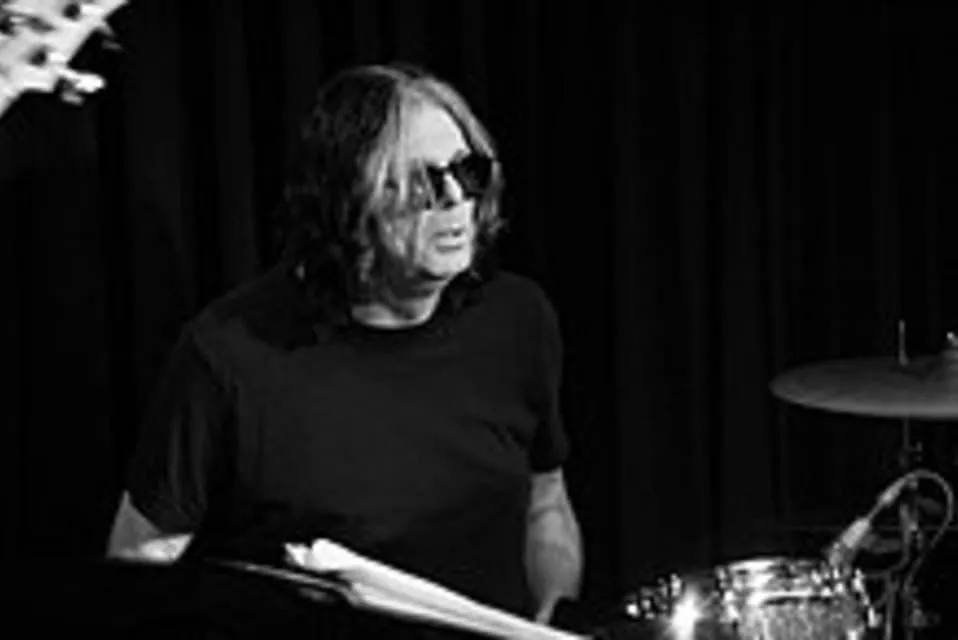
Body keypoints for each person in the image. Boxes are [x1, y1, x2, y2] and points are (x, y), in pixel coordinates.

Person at [106, 62, 583, 634]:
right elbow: (141, 561)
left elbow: (545, 502)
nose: (457, 199)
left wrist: (552, 610)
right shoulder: (231, 354)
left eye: (468, 171)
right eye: (421, 183)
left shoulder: (516, 319)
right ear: (350, 201)